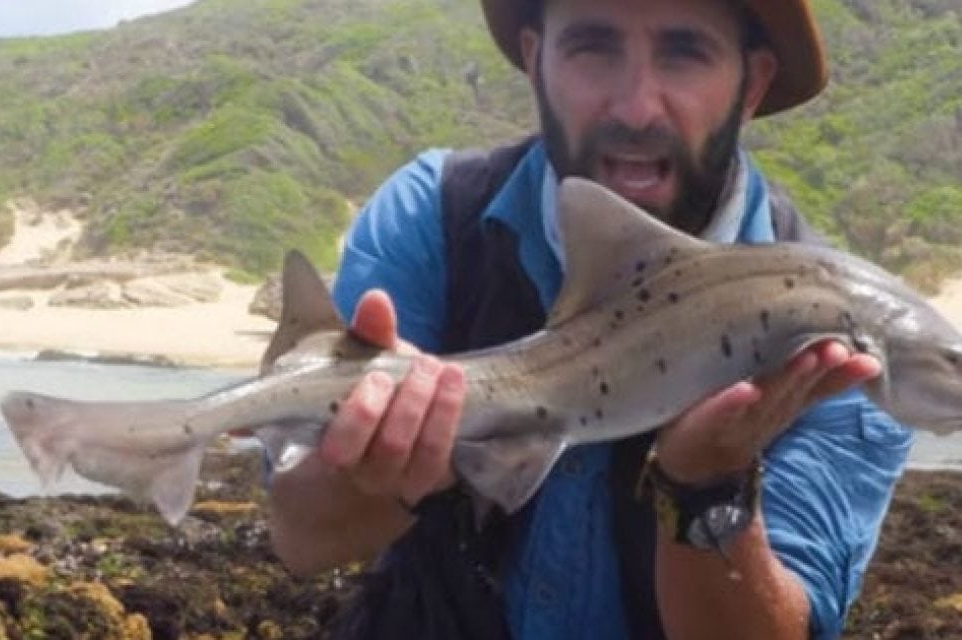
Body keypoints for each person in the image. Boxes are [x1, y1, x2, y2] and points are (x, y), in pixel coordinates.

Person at [264, 0, 915, 638]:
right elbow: (302, 536)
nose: (635, 107)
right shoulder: (432, 217)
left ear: (754, 83)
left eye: (685, 53)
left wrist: (705, 488)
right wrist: (385, 471)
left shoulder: (844, 334)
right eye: (593, 47)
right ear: (535, 58)